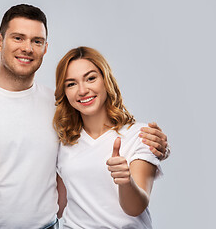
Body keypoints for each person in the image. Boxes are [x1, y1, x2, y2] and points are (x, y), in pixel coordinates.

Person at [0, 4, 169, 229]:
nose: (27, 48)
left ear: (45, 48)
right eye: (18, 38)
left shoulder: (59, 107)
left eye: (36, 41)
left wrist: (156, 146)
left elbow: (101, 137)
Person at [54, 46, 164, 228]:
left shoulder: (140, 134)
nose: (82, 90)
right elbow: (56, 207)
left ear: (105, 80)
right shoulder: (64, 142)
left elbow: (136, 207)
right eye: (71, 84)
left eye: (90, 78)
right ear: (64, 92)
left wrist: (126, 181)